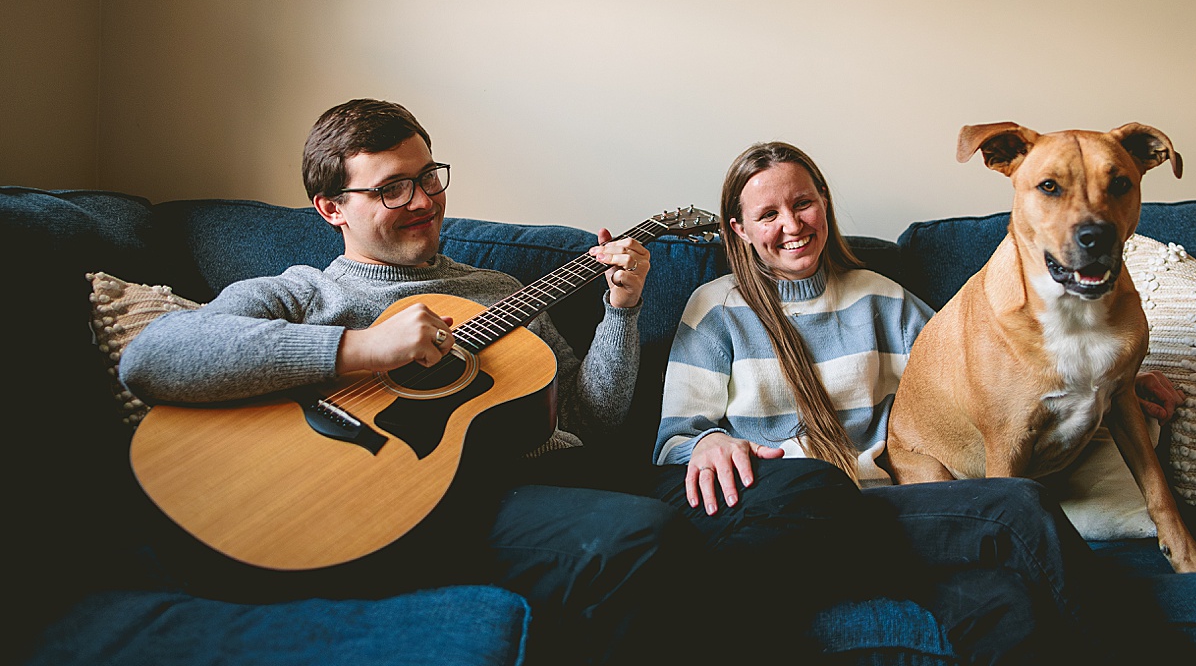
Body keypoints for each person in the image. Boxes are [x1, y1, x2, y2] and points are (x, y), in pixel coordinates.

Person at [120, 98, 695, 666]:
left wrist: (621, 310)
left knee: (669, 518)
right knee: (637, 535)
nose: (422, 201)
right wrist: (364, 347)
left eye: (428, 177)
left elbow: (589, 421)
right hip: (359, 494)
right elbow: (151, 357)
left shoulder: (503, 292)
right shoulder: (302, 293)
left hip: (514, 483)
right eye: (393, 188)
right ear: (331, 208)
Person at [653, 141, 1102, 663]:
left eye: (803, 203)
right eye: (768, 214)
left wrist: (1104, 382)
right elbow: (673, 444)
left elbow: (981, 366)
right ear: (740, 230)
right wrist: (708, 443)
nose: (792, 225)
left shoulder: (881, 297)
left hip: (891, 512)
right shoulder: (716, 308)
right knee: (1016, 503)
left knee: (1005, 606)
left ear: (824, 202)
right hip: (791, 523)